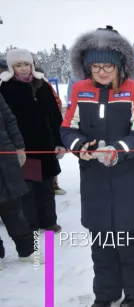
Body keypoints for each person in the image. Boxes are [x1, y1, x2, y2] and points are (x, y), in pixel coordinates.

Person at [61, 25, 134, 307]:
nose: (102, 72)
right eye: (95, 66)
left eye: (108, 65)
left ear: (120, 66)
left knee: (129, 243)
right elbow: (67, 128)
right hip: (95, 180)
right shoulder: (80, 90)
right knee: (101, 244)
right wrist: (80, 146)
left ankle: (133, 292)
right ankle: (105, 293)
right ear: (86, 67)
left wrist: (119, 149)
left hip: (128, 178)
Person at [0, 48, 64, 233]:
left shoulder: (42, 85)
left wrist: (59, 141)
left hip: (46, 144)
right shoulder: (6, 88)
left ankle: (49, 221)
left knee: (46, 187)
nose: (23, 68)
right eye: (18, 65)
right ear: (12, 67)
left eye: (26, 64)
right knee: (29, 189)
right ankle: (32, 224)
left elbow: (54, 115)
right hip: (24, 147)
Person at [0, 92, 44, 270]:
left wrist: (19, 146)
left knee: (14, 207)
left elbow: (9, 119)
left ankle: (27, 250)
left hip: (4, 157)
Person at [34, 65, 68, 196]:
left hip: (46, 132)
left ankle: (53, 185)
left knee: (49, 161)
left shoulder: (45, 86)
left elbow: (56, 103)